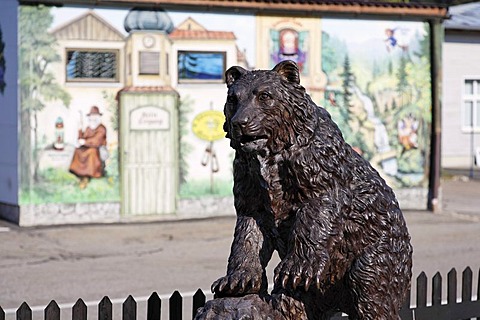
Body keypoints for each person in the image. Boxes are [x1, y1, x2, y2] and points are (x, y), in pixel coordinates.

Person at [69, 106, 107, 189]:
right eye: (91, 116)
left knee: (91, 152)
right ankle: (80, 174)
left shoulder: (102, 128)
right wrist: (79, 129)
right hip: (88, 148)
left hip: (98, 150)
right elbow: (82, 138)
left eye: (94, 116)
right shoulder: (88, 128)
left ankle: (89, 174)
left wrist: (85, 142)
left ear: (98, 117)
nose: (92, 118)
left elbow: (97, 141)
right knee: (78, 151)